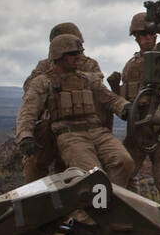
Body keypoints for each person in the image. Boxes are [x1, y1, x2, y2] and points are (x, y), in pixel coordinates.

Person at [16, 34, 134, 188]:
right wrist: (25, 136)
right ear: (59, 56)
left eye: (79, 53)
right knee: (93, 174)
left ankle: (112, 201)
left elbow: (110, 98)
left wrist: (125, 107)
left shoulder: (88, 79)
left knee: (124, 162)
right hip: (70, 135)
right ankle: (93, 207)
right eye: (72, 54)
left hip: (98, 132)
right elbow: (28, 111)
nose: (78, 57)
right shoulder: (44, 82)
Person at [21, 22, 107, 180]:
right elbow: (30, 92)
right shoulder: (44, 66)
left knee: (77, 173)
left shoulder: (89, 65)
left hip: (79, 128)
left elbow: (100, 94)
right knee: (35, 167)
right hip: (50, 126)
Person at [116, 12, 160, 197]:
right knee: (122, 173)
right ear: (136, 38)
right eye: (143, 35)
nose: (148, 38)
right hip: (138, 128)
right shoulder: (131, 66)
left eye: (151, 34)